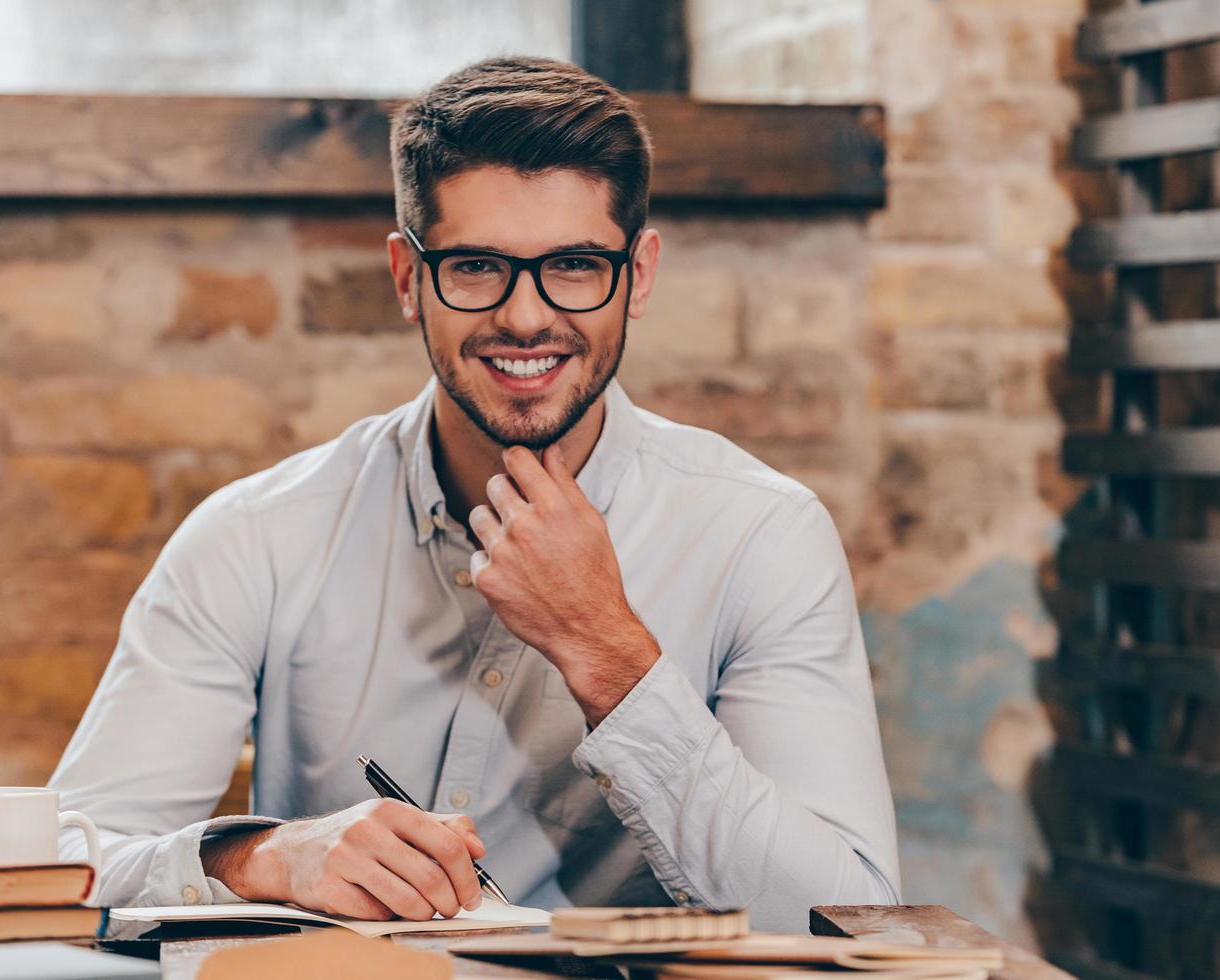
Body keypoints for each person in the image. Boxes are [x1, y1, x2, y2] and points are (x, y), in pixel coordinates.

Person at [49, 55, 900, 932]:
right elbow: (69, 862)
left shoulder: (760, 533)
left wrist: (608, 654)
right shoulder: (255, 535)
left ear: (637, 276)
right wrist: (264, 857)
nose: (526, 316)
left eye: (573, 265)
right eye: (476, 266)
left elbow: (843, 919)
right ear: (408, 278)